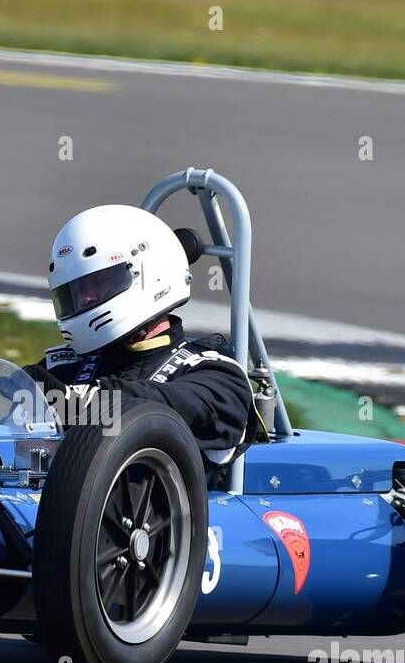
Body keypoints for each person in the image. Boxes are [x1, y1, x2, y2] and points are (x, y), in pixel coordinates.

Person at [21, 204, 260, 482]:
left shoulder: (216, 376)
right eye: (75, 292)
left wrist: (75, 401)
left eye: (98, 284)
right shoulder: (65, 367)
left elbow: (162, 405)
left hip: (155, 521)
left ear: (151, 274)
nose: (84, 300)